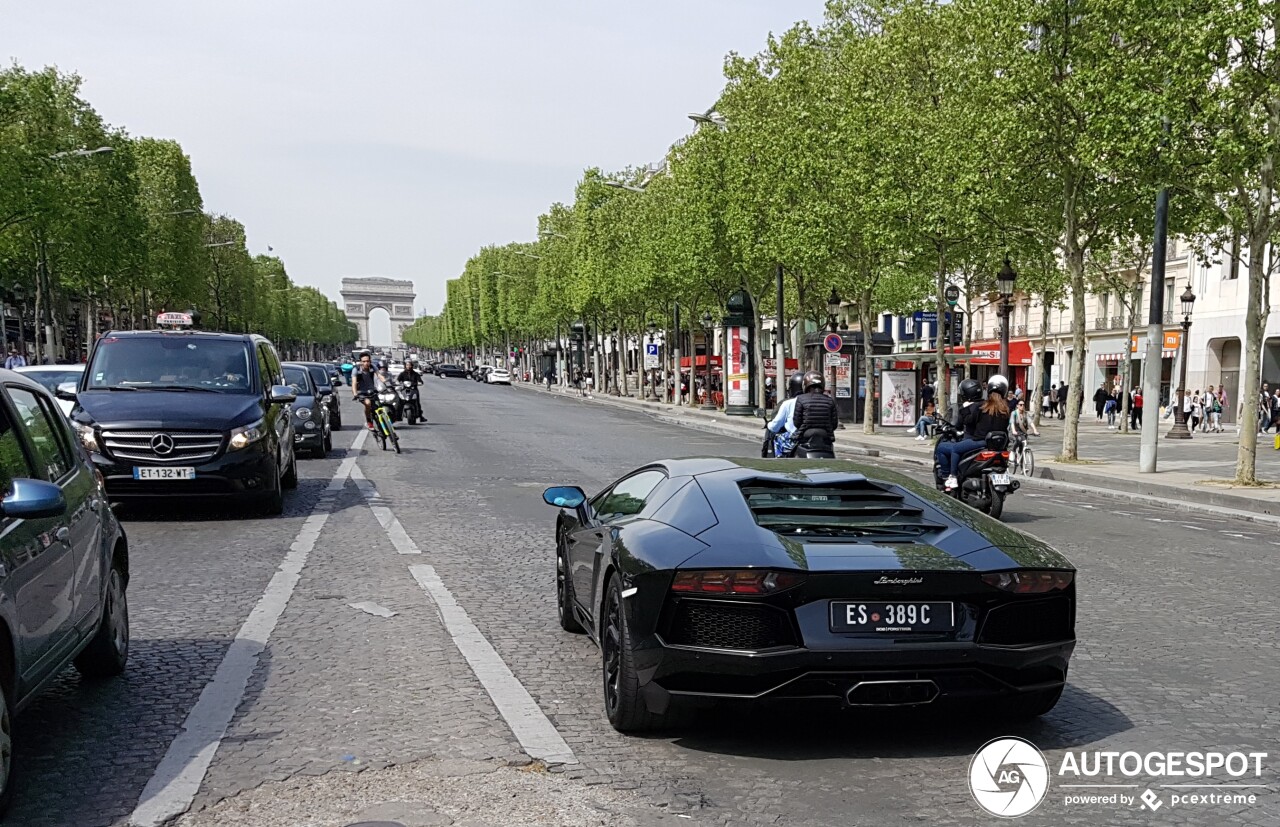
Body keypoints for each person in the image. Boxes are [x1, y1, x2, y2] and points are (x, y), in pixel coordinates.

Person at [936, 375, 1012, 491]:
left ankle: (952, 477)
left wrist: (965, 408)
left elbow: (968, 421)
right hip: (999, 445)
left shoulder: (983, 406)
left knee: (954, 448)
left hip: (980, 442)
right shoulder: (1006, 409)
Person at [792, 370, 839, 454]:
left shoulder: (800, 399)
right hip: (826, 436)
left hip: (805, 435)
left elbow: (797, 422)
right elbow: (834, 423)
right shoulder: (830, 400)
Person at [766, 373, 805, 457]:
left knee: (773, 433)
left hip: (795, 439)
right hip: (820, 439)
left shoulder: (788, 403)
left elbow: (775, 425)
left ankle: (776, 461)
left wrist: (769, 425)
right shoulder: (825, 402)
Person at [350, 351, 383, 430]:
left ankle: (386, 425)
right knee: (368, 403)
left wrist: (387, 383)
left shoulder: (372, 367)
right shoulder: (356, 370)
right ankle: (369, 422)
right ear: (360, 362)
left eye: (368, 361)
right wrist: (355, 394)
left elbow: (379, 376)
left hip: (372, 391)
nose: (366, 363)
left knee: (381, 405)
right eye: (364, 361)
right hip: (362, 392)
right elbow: (354, 383)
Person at [396, 359, 425, 424]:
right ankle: (397, 415)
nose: (408, 366)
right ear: (405, 366)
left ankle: (420, 415)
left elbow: (420, 381)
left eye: (410, 365)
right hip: (404, 390)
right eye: (407, 365)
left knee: (417, 402)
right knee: (400, 401)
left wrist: (419, 383)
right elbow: (397, 380)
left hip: (413, 389)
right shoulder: (402, 374)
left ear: (412, 366)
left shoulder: (415, 374)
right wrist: (398, 383)